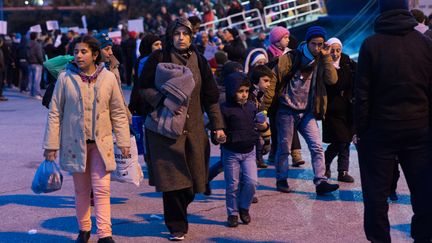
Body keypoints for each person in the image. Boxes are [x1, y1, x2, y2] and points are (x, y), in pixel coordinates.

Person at [138, 17, 225, 241]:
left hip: (194, 129)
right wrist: (160, 100)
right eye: (177, 34)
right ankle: (176, 224)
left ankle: (180, 210)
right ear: (170, 37)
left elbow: (211, 96)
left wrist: (217, 125)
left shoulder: (200, 61)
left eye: (185, 34)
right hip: (165, 131)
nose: (181, 38)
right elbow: (143, 88)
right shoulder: (158, 59)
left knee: (194, 181)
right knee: (172, 180)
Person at [355, 0, 432, 242]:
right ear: (406, 9)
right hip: (419, 129)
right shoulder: (425, 44)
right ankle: (423, 237)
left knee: (376, 196)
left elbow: (362, 95)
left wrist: (362, 131)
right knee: (425, 192)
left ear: (382, 10)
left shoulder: (370, 45)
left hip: (380, 131)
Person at [43, 35, 130, 243]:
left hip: (102, 143)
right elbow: (55, 112)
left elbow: (118, 112)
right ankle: (84, 230)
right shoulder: (65, 78)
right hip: (75, 144)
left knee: (102, 189)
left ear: (95, 54)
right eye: (76, 52)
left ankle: (105, 234)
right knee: (81, 190)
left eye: (83, 52)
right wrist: (51, 145)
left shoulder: (108, 78)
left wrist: (124, 140)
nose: (79, 56)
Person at [264, 26, 339, 194]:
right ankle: (281, 179)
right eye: (314, 44)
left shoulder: (321, 59)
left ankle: (320, 182)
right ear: (308, 42)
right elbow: (273, 80)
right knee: (284, 148)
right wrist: (264, 109)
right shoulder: (291, 58)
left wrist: (327, 58)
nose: (317, 48)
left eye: (321, 44)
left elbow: (332, 80)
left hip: (307, 112)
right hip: (286, 110)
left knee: (317, 146)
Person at [216, 72, 259, 227]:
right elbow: (217, 129)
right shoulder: (224, 109)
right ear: (232, 91)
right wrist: (219, 136)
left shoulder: (252, 106)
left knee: (252, 182)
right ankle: (232, 213)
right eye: (240, 91)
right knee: (232, 185)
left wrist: (263, 127)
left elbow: (257, 126)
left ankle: (244, 207)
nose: (244, 95)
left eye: (246, 91)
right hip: (231, 152)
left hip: (249, 151)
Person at [266, 26, 305, 167]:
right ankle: (274, 152)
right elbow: (266, 72)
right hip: (273, 96)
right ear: (277, 41)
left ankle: (296, 154)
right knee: (276, 127)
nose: (288, 40)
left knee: (291, 122)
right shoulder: (269, 54)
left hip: (288, 94)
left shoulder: (290, 54)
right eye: (285, 38)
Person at [322, 37, 355, 183]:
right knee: (342, 140)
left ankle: (337, 168)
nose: (335, 54)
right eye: (332, 50)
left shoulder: (348, 62)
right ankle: (337, 168)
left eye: (338, 50)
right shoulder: (324, 64)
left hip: (347, 107)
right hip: (331, 108)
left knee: (344, 140)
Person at [27, 32, 44, 100]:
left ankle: (31, 93)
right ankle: (37, 93)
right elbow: (39, 55)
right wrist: (42, 62)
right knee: (37, 80)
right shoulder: (37, 45)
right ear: (36, 37)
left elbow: (26, 53)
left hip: (30, 63)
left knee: (31, 79)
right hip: (37, 64)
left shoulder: (27, 44)